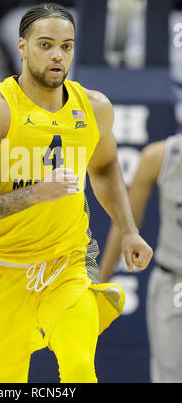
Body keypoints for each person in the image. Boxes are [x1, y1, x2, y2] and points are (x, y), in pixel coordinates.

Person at [0, 2, 153, 383]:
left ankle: (85, 299)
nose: (58, 55)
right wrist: (35, 193)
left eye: (67, 46)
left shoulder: (94, 108)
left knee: (78, 369)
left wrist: (129, 229)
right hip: (3, 270)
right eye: (46, 44)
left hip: (67, 266)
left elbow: (104, 167)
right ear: (22, 47)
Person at [99, 133, 182, 383]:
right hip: (174, 281)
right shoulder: (160, 156)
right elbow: (126, 226)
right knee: (169, 376)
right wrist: (100, 285)